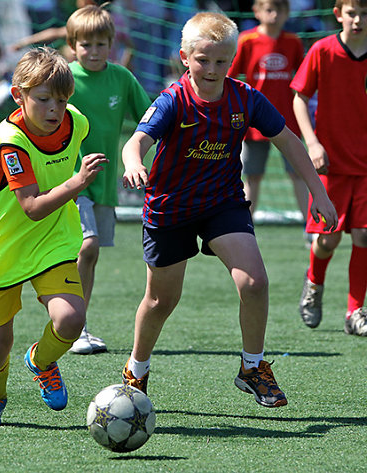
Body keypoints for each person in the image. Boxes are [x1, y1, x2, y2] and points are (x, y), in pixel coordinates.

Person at [120, 11, 338, 407]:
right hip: (171, 209)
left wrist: (318, 193)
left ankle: (252, 367)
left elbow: (289, 142)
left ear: (232, 61)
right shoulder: (173, 100)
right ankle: (137, 369)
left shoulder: (245, 98)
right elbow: (135, 141)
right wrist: (134, 162)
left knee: (254, 283)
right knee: (160, 301)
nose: (212, 68)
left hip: (222, 203)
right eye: (203, 59)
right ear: (184, 57)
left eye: (221, 61)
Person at [0, 46, 108, 427]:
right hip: (4, 249)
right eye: (43, 99)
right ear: (19, 95)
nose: (54, 109)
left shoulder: (75, 123)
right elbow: (31, 206)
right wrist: (77, 182)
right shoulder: (10, 141)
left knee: (70, 319)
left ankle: (41, 361)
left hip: (53, 240)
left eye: (62, 101)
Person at [65, 4, 151, 354]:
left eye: (101, 44)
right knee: (88, 246)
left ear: (112, 43)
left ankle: (74, 321)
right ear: (72, 45)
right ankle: (73, 326)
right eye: (86, 44)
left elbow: (149, 116)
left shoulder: (121, 78)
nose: (94, 51)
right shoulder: (64, 77)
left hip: (104, 183)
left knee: (89, 255)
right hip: (67, 178)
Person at [292, 0, 367, 335]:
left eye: (366, 14)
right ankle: (314, 284)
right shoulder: (322, 50)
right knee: (329, 239)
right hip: (330, 165)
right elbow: (299, 97)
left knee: (365, 235)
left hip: (365, 167)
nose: (359, 20)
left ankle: (355, 312)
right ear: (339, 14)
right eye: (353, 13)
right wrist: (312, 143)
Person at [228, 0, 309, 227]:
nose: (274, 15)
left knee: (298, 173)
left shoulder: (293, 42)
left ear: (287, 13)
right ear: (257, 11)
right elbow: (232, 77)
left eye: (280, 10)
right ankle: (245, 227)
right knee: (252, 176)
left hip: (287, 120)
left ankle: (309, 229)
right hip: (254, 121)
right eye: (269, 10)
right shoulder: (246, 40)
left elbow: (302, 79)